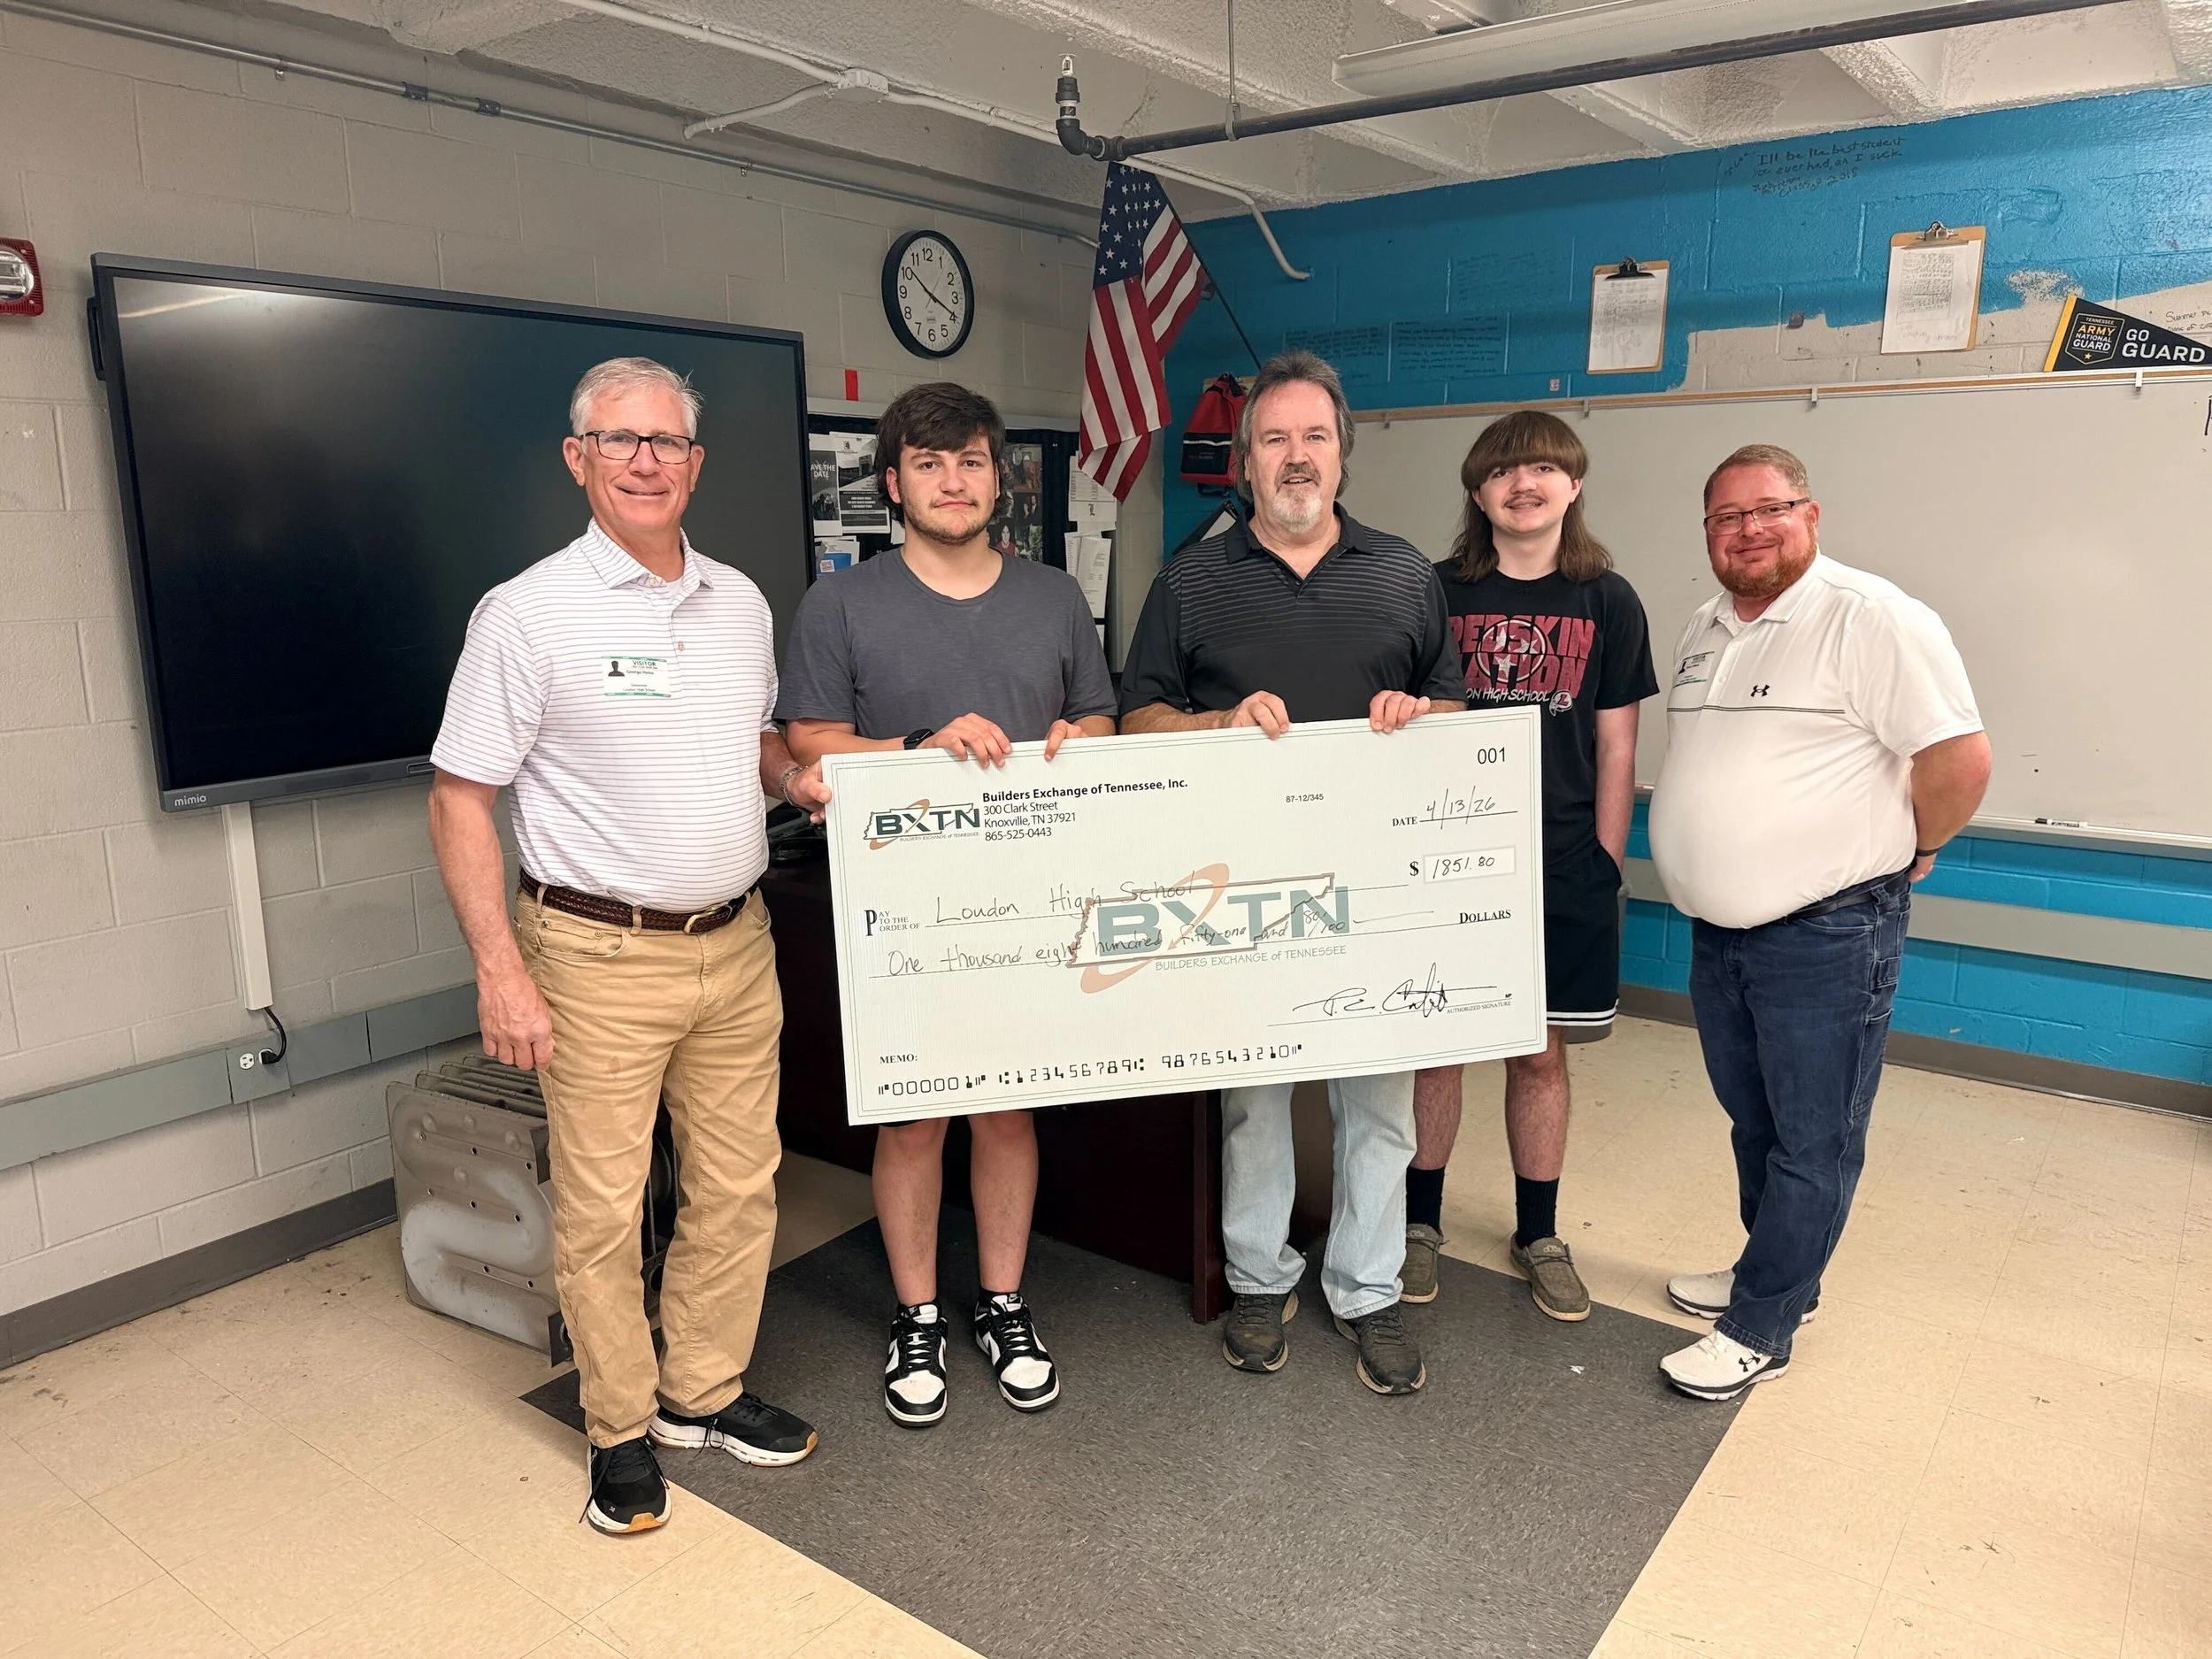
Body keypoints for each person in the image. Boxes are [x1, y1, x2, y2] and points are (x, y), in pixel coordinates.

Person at [427, 357, 828, 1535]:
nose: (646, 459)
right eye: (621, 441)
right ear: (579, 458)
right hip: (596, 956)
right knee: (605, 1208)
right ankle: (616, 1425)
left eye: (667, 442)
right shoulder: (527, 612)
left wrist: (791, 774)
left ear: (697, 464)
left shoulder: (742, 600)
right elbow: (459, 798)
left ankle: (699, 1391)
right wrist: (502, 967)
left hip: (737, 942)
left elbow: (748, 737)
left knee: (741, 1179)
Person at [1118, 349, 1465, 1396]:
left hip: (1380, 889)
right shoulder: (1189, 581)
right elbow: (1135, 719)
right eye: (1275, 439)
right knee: (1253, 1099)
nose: (1296, 456)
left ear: (1343, 456)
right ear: (1245, 461)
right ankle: (1260, 1280)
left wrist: (1421, 719)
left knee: (1379, 1104)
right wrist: (1219, 721)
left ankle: (1367, 1288)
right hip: (1242, 889)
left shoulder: (1407, 575)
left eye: (1315, 437)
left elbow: (1454, 715)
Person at [780, 382, 1117, 1429]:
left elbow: (1099, 719)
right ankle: (918, 1311)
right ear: (894, 484)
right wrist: (917, 749)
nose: (953, 481)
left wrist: (1080, 743)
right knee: (916, 1114)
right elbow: (808, 744)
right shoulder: (838, 604)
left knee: (1007, 1107)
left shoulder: (1054, 595)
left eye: (971, 462)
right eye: (928, 465)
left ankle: (1003, 1303)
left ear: (999, 480)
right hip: (900, 904)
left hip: (1028, 899)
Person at [1648, 442, 1989, 1402]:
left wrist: (1916, 849)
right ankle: (1777, 1278)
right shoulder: (1705, 625)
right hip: (1723, 937)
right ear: (1708, 533)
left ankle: (1761, 1323)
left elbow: (1959, 760)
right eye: (1725, 517)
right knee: (1754, 1122)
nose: (1748, 529)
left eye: (1770, 509)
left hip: (1828, 934)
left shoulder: (1871, 618)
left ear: (1811, 513)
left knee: (1814, 1136)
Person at [1404, 411, 1656, 1319]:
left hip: (1562, 864)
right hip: (1451, 857)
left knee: (1538, 1054)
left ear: (1573, 485)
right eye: (1503, 471)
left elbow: (1618, 744)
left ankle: (1537, 1232)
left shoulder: (1608, 600)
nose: (1524, 483)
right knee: (1438, 1052)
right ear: (1477, 492)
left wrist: (1603, 859)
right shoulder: (1431, 592)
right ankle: (1418, 1226)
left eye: (1544, 468)